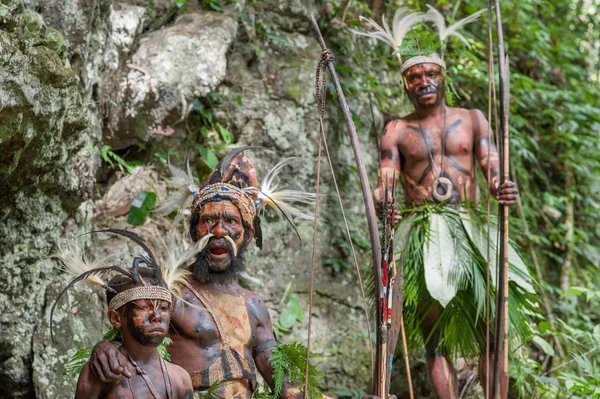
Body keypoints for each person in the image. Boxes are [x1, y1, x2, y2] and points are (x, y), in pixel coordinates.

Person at [354, 6, 536, 399]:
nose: (423, 82)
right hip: (422, 233)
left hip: (471, 230)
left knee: (492, 331)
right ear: (405, 85)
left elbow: (493, 171)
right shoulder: (397, 130)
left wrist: (504, 186)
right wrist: (384, 201)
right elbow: (385, 178)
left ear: (443, 76)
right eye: (414, 77)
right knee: (436, 340)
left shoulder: (472, 118)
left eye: (430, 74)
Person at [88, 150, 335, 398]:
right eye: (208, 221)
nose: (218, 230)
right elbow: (129, 334)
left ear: (247, 234)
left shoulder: (254, 306)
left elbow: (287, 385)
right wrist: (105, 348)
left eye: (230, 221)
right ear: (195, 232)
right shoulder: (170, 291)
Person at [50, 232, 196, 399]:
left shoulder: (180, 378)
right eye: (143, 307)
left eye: (163, 308)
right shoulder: (102, 372)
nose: (156, 316)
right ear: (116, 318)